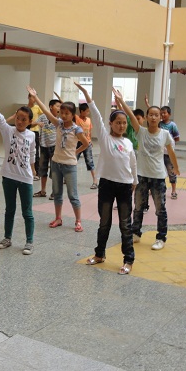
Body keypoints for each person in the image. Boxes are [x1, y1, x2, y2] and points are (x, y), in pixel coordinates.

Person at [76, 83, 137, 275]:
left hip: (125, 186)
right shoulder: (105, 138)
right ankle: (100, 254)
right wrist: (86, 94)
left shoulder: (127, 143)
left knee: (125, 224)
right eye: (118, 122)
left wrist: (135, 181)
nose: (121, 125)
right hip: (107, 185)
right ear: (111, 124)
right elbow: (96, 115)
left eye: (124, 123)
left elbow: (133, 163)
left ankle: (128, 259)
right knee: (104, 222)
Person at [113, 88, 180, 250]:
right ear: (146, 117)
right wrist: (121, 100)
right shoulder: (141, 132)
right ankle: (136, 233)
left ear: (160, 117)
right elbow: (130, 115)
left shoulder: (165, 134)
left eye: (157, 115)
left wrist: (175, 168)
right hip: (141, 176)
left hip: (158, 176)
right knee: (138, 207)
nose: (154, 117)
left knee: (160, 209)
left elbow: (171, 152)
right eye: (151, 114)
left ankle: (161, 237)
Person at [0, 85, 37, 255]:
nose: (19, 121)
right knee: (9, 210)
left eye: (24, 119)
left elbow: (32, 153)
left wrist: (33, 170)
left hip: (25, 178)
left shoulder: (32, 135)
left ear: (29, 122)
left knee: (27, 212)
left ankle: (29, 241)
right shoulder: (8, 130)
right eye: (18, 118)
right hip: (9, 177)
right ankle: (7, 238)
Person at [27, 86, 89, 232]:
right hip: (56, 164)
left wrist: (75, 152)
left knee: (73, 195)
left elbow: (86, 144)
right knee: (57, 193)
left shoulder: (77, 129)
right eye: (62, 113)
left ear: (72, 115)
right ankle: (58, 218)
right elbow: (47, 112)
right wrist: (36, 98)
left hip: (70, 166)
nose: (64, 116)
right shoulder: (58, 124)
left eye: (67, 113)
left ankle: (78, 221)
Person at [32, 99, 61, 199]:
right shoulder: (43, 117)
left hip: (54, 147)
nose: (59, 108)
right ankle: (43, 191)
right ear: (51, 107)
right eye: (57, 106)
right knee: (43, 169)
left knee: (54, 170)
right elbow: (32, 123)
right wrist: (37, 123)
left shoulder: (58, 120)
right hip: (43, 146)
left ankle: (54, 192)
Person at [76, 103, 97, 189]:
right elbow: (70, 110)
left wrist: (90, 140)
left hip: (87, 143)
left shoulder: (88, 120)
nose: (88, 113)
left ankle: (95, 181)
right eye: (87, 111)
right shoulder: (77, 119)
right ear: (81, 111)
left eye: (88, 111)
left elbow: (89, 131)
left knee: (90, 161)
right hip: (78, 142)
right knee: (73, 160)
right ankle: (67, 178)